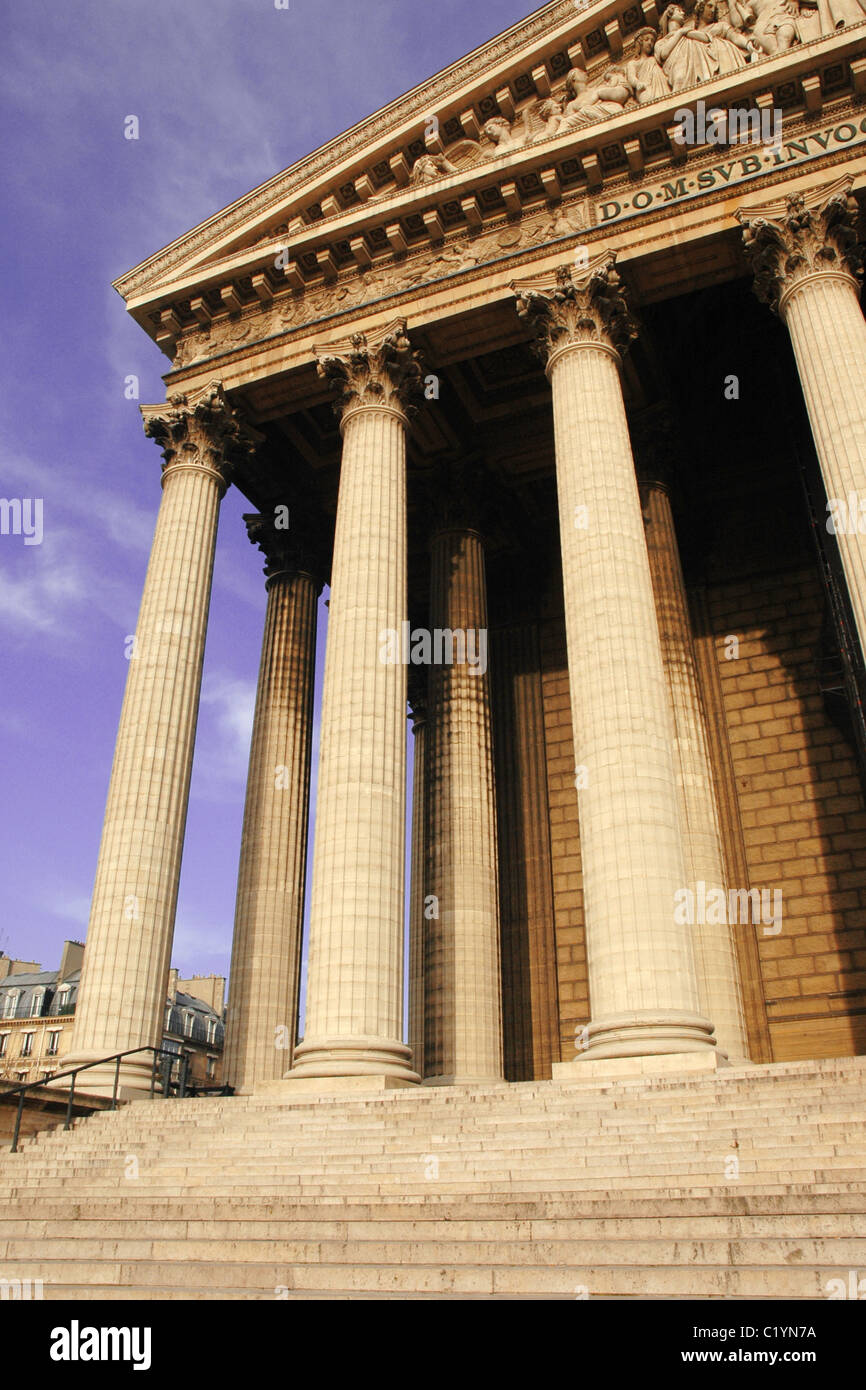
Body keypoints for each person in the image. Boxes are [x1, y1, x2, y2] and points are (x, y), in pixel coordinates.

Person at [626, 27, 673, 102]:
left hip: (661, 87)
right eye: (646, 39)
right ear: (640, 42)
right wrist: (638, 83)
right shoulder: (633, 63)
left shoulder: (655, 59)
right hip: (645, 89)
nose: (650, 43)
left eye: (652, 41)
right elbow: (631, 77)